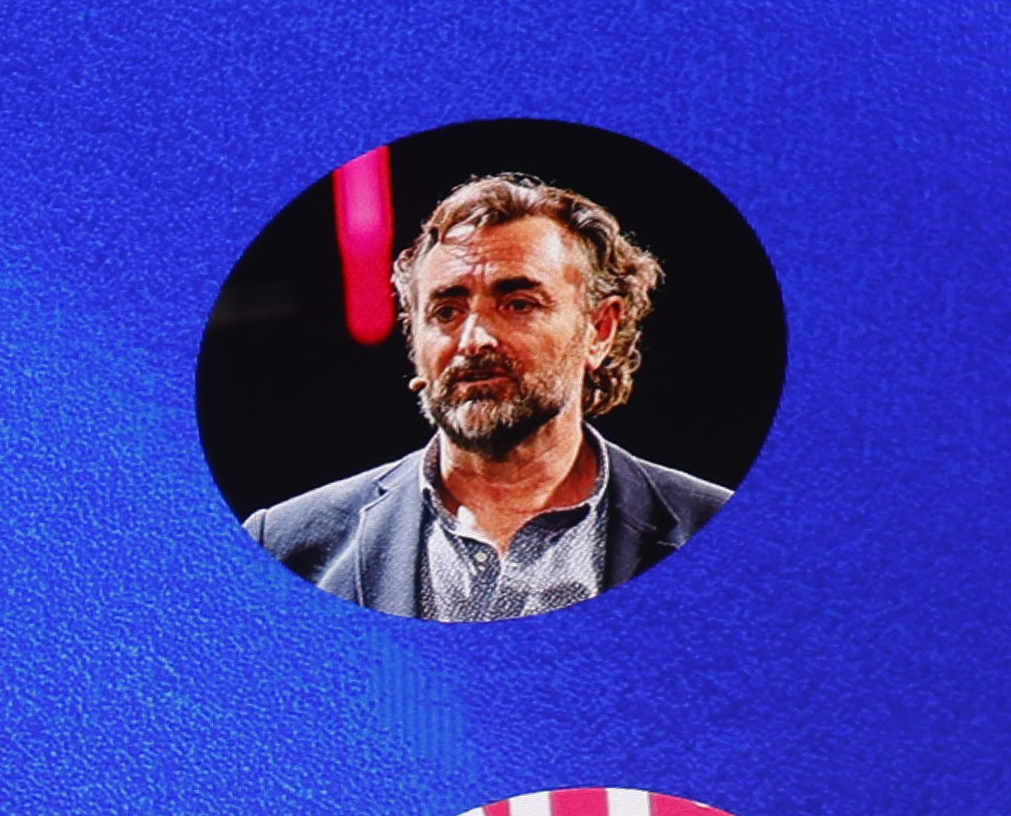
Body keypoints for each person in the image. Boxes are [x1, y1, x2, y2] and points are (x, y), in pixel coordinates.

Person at [244, 174, 729, 618]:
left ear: (599, 330)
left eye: (518, 304)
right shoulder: (284, 546)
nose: (474, 340)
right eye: (447, 312)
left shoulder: (721, 533)